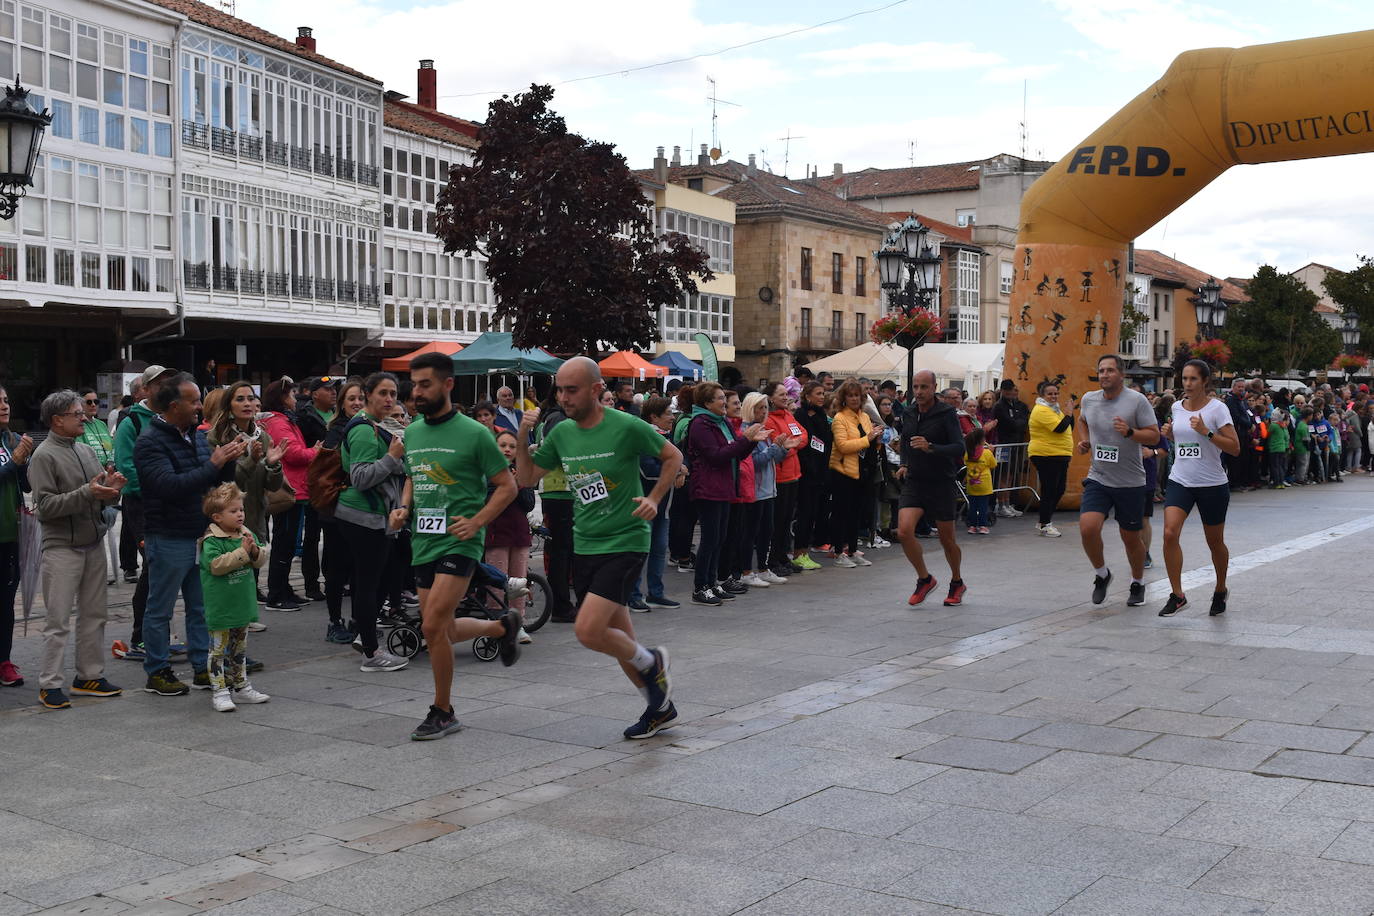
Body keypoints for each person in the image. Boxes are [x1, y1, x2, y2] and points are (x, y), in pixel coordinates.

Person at [517, 356, 683, 739]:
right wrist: (524, 439)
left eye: (571, 390)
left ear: (595, 390)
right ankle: (659, 707)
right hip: (586, 542)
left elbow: (673, 456)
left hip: (626, 539)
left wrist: (655, 498)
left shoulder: (626, 425)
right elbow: (526, 477)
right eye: (558, 389)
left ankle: (652, 661)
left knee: (588, 630)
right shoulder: (560, 432)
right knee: (620, 638)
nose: (562, 397)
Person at [394, 353, 522, 740]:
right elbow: (415, 476)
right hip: (423, 540)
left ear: (448, 385)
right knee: (442, 629)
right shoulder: (413, 432)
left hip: (460, 541)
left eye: (425, 384)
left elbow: (507, 486)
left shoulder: (475, 433)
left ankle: (443, 710)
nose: (417, 392)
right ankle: (501, 627)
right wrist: (403, 506)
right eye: (414, 385)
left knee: (431, 624)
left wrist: (478, 521)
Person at [135, 373, 244, 696]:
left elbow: (207, 482)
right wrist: (213, 464)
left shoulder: (195, 436)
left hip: (198, 534)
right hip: (168, 534)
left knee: (201, 606)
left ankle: (202, 666)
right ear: (173, 405)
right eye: (194, 400)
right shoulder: (150, 441)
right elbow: (170, 486)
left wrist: (228, 461)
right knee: (160, 609)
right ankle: (157, 671)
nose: (200, 406)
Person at [29, 390, 127, 708]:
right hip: (61, 548)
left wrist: (111, 490)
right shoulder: (43, 455)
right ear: (57, 420)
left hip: (92, 542)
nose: (84, 417)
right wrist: (88, 492)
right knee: (57, 620)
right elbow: (44, 507)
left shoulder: (85, 450)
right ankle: (50, 683)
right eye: (76, 413)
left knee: (95, 615)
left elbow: (97, 494)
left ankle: (89, 676)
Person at [334, 372, 412, 673]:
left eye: (393, 393)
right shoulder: (364, 430)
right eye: (383, 393)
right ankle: (371, 652)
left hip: (378, 515)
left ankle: (363, 637)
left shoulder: (379, 426)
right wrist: (392, 457)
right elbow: (361, 477)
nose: (389, 399)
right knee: (368, 584)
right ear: (368, 394)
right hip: (362, 516)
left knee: (378, 581)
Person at [1075, 354, 1160, 609]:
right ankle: (1102, 574)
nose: (1104, 375)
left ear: (1121, 374)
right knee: (1088, 528)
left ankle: (1137, 582)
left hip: (1130, 482)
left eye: (1110, 370)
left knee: (1130, 538)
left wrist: (1131, 432)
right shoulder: (1089, 399)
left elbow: (1154, 437)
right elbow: (1082, 420)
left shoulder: (1136, 401)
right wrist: (1084, 440)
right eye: (1101, 370)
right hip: (1099, 477)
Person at [1157, 359, 1240, 617]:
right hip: (1181, 479)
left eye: (1193, 379)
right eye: (1184, 378)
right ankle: (1177, 595)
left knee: (1214, 542)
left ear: (1205, 381)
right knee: (1170, 533)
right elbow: (1182, 442)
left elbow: (1234, 448)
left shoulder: (1218, 409)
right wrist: (1170, 435)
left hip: (1212, 484)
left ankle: (1220, 588)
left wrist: (1207, 432)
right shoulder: (1176, 407)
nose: (1188, 384)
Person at [208, 381, 287, 627]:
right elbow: (229, 482)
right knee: (230, 563)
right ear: (229, 406)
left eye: (251, 399)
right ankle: (228, 617)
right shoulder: (218, 435)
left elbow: (272, 485)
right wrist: (252, 460)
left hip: (255, 509)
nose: (248, 404)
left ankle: (245, 614)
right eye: (240, 399)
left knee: (251, 562)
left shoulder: (261, 435)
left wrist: (273, 464)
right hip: (227, 510)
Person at [112, 364, 175, 653]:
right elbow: (126, 466)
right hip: (143, 503)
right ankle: (141, 634)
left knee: (167, 568)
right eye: (158, 383)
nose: (165, 387)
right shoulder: (132, 423)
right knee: (152, 565)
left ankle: (160, 631)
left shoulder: (175, 417)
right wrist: (156, 489)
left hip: (172, 501)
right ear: (145, 389)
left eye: (168, 382)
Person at [683, 382, 764, 605]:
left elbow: (735, 453)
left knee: (719, 538)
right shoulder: (701, 424)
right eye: (719, 398)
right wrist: (745, 439)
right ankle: (700, 587)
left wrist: (750, 442)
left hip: (725, 486)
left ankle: (712, 583)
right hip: (708, 488)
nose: (724, 402)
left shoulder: (722, 422)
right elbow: (717, 455)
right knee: (709, 539)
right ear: (707, 403)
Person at [895, 369, 967, 606]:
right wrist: (904, 463)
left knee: (947, 540)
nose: (919, 392)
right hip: (915, 480)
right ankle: (924, 579)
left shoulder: (946, 413)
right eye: (915, 387)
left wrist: (931, 447)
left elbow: (959, 447)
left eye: (924, 387)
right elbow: (906, 441)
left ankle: (957, 582)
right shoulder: (909, 411)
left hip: (941, 482)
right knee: (904, 531)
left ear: (934, 387)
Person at [198, 483, 271, 712]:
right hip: (221, 607)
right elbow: (216, 565)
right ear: (217, 517)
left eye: (241, 509)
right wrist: (243, 552)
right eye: (233, 511)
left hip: (242, 604)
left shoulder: (245, 532)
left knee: (239, 649)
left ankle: (241, 686)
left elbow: (259, 558)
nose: (240, 514)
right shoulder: (212, 540)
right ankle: (219, 690)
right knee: (218, 651)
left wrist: (255, 551)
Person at [259, 380, 319, 611]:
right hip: (288, 489)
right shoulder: (278, 422)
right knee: (284, 543)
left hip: (292, 487)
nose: (295, 399)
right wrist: (316, 451)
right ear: (283, 398)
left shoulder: (280, 420)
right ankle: (277, 593)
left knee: (286, 541)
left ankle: (283, 588)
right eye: (292, 395)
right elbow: (293, 454)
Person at [320, 378, 366, 642]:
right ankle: (334, 621)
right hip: (337, 508)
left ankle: (359, 619)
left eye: (360, 398)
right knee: (337, 569)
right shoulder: (337, 430)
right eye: (351, 399)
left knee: (360, 568)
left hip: (363, 509)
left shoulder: (370, 426)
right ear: (342, 404)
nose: (357, 403)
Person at [629, 396, 684, 611]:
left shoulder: (667, 437)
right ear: (654, 417)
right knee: (640, 550)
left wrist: (680, 468)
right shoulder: (645, 436)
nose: (672, 417)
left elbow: (682, 458)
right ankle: (633, 595)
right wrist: (677, 470)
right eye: (668, 414)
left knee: (659, 549)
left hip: (664, 504)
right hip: (645, 502)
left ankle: (656, 593)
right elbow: (648, 469)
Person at [486, 429, 536, 641]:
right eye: (503, 445)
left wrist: (520, 484)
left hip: (519, 533)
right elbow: (487, 502)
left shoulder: (523, 471)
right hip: (497, 534)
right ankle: (496, 623)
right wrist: (507, 486)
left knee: (519, 582)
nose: (507, 449)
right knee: (498, 582)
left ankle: (518, 623)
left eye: (512, 446)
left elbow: (529, 504)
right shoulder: (489, 472)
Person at [533, 388, 577, 622]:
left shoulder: (550, 418)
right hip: (561, 490)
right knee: (563, 552)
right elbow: (558, 453)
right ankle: (562, 606)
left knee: (562, 551)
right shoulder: (558, 419)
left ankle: (563, 604)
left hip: (559, 490)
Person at [295, 377, 338, 602]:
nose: (333, 393)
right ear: (314, 394)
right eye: (327, 389)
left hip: (336, 482)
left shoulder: (339, 415)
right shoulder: (304, 417)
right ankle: (311, 584)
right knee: (311, 536)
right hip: (314, 484)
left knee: (334, 536)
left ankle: (335, 580)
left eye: (334, 389)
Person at [0, 385, 32, 688]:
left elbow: (25, 486)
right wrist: (14, 463)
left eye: (6, 400)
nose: (4, 406)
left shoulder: (10, 439)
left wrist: (23, 462)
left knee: (6, 602)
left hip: (11, 535)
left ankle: (4, 660)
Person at [829, 379, 879, 568]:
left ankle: (851, 549)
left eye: (857, 395)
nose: (854, 398)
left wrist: (875, 438)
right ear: (844, 398)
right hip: (843, 471)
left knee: (857, 512)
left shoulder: (864, 417)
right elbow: (843, 446)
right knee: (842, 512)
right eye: (850, 395)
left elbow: (868, 441)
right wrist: (868, 439)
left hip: (862, 470)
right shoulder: (840, 418)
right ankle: (838, 551)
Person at [763, 381, 807, 578]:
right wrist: (791, 445)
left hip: (793, 474)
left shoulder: (788, 415)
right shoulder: (769, 420)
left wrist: (791, 446)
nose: (785, 397)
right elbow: (776, 447)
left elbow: (803, 435)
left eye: (785, 394)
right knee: (778, 521)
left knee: (787, 519)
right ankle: (773, 559)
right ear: (771, 398)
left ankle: (782, 557)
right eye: (781, 394)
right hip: (780, 477)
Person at [1027, 380, 1076, 537]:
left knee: (1059, 489)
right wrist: (1068, 413)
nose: (1054, 396)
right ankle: (1045, 523)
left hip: (1059, 454)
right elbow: (1059, 428)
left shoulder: (1054, 410)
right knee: (1049, 490)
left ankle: (1044, 520)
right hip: (1046, 454)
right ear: (1042, 395)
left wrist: (1070, 414)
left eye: (1056, 393)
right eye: (1050, 394)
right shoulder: (1041, 410)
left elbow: (1068, 426)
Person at [791, 381, 831, 571]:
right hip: (806, 472)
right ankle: (798, 552)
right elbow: (803, 443)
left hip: (821, 471)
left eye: (823, 393)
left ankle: (805, 551)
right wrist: (811, 468)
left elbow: (825, 441)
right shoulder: (800, 415)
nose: (822, 396)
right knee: (804, 514)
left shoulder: (822, 415)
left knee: (813, 513)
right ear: (807, 396)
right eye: (818, 393)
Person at [992, 380, 1029, 517]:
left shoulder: (1016, 405)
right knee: (1003, 475)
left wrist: (1017, 423)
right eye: (1007, 390)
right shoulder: (999, 406)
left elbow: (1022, 422)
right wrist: (1018, 423)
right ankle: (1000, 504)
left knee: (1011, 475)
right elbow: (1010, 424)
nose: (1010, 393)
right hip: (1004, 444)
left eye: (1012, 390)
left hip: (1015, 444)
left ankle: (1007, 503)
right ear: (1002, 390)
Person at [963, 427, 995, 535]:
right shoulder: (986, 453)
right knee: (983, 506)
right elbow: (993, 464)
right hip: (984, 484)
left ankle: (972, 526)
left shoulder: (968, 453)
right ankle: (983, 526)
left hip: (971, 483)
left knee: (972, 506)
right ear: (982, 440)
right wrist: (991, 451)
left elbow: (966, 463)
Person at [1267, 409, 1292, 488]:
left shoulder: (1273, 425)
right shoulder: (1283, 426)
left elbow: (1268, 432)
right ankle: (1281, 482)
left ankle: (1276, 483)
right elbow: (1286, 436)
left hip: (1274, 448)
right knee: (1280, 466)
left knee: (1275, 466)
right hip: (1282, 448)